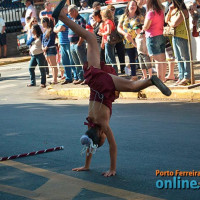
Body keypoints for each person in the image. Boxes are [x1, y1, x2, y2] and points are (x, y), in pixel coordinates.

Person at [52, 0, 171, 177]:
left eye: (103, 138)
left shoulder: (102, 125)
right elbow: (90, 142)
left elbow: (113, 147)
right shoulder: (91, 121)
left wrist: (113, 169)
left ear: (101, 134)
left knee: (129, 83)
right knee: (92, 40)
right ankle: (61, 16)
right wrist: (86, 165)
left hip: (101, 85)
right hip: (95, 83)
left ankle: (150, 81)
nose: (106, 138)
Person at [165, 0, 191, 85]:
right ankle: (181, 76)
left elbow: (174, 24)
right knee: (178, 58)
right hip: (174, 36)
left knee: (184, 57)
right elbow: (166, 19)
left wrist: (169, 22)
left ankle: (187, 76)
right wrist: (169, 10)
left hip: (181, 36)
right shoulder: (174, 11)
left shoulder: (183, 11)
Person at [118, 0, 144, 80]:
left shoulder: (140, 17)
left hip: (138, 39)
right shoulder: (123, 16)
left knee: (140, 56)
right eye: (131, 5)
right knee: (131, 58)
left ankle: (145, 75)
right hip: (127, 40)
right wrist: (124, 33)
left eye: (134, 5)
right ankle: (134, 75)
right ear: (128, 6)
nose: (133, 7)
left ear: (136, 7)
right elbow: (119, 27)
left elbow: (144, 27)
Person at [143, 0, 167, 82]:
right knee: (162, 59)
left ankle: (160, 80)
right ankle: (163, 78)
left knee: (157, 60)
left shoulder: (150, 13)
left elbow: (146, 26)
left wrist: (142, 27)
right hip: (160, 35)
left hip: (152, 36)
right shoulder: (161, 11)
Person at [54, 5, 77, 84]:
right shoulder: (60, 19)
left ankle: (76, 76)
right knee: (65, 61)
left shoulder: (68, 18)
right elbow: (55, 29)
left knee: (72, 60)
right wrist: (58, 29)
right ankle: (68, 77)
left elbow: (61, 28)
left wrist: (58, 29)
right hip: (62, 43)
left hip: (68, 42)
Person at [68, 4, 87, 84]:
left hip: (78, 44)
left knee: (82, 62)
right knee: (76, 63)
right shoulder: (73, 20)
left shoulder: (81, 20)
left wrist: (79, 43)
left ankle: (86, 78)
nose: (69, 14)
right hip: (72, 44)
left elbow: (82, 33)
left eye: (70, 12)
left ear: (74, 11)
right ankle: (80, 78)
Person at [107, 5, 125, 74]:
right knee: (111, 56)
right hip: (111, 40)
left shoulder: (116, 19)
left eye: (114, 10)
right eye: (111, 9)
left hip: (119, 39)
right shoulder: (107, 20)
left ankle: (123, 68)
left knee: (121, 53)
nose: (113, 11)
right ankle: (113, 70)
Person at [98, 9, 118, 74]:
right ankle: (111, 72)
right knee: (108, 58)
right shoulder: (109, 21)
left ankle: (114, 73)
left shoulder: (108, 22)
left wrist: (102, 34)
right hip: (107, 41)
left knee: (110, 58)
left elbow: (108, 32)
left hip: (109, 42)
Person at [42, 17, 58, 84]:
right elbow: (43, 40)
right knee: (51, 65)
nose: (42, 24)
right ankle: (53, 79)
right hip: (46, 49)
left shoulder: (51, 30)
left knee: (53, 64)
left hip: (50, 48)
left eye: (43, 22)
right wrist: (43, 46)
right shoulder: (45, 30)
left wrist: (46, 46)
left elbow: (51, 40)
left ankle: (55, 79)